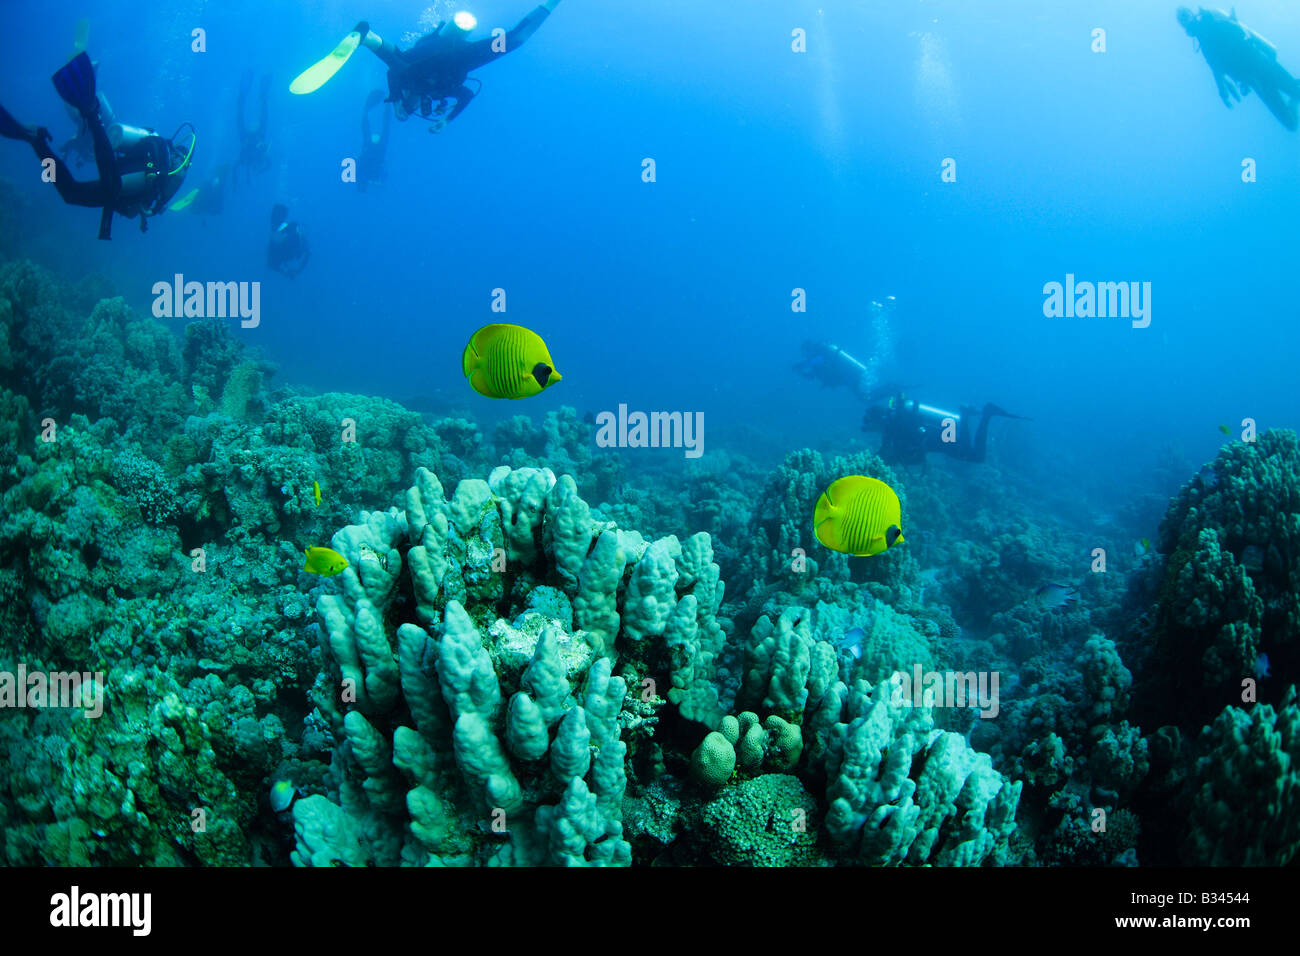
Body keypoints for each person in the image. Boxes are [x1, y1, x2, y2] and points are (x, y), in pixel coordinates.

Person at [0, 52, 194, 239]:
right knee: (106, 183)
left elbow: (145, 197)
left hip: (120, 186)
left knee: (70, 193)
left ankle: (37, 142)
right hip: (120, 181)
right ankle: (91, 111)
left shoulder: (164, 175)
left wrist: (143, 219)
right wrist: (152, 170)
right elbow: (152, 150)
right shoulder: (164, 157)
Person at [355, 2, 562, 128]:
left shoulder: (409, 82)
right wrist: (447, 120)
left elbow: (393, 72)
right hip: (462, 56)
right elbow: (466, 95)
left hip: (436, 52)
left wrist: (397, 100)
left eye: (412, 105)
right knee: (515, 39)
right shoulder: (439, 92)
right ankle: (552, 4)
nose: (416, 105)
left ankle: (370, 39)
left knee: (402, 63)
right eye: (412, 107)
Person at [1177, 6, 1300, 130]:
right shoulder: (1203, 44)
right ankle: (1294, 99)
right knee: (1291, 124)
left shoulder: (1210, 17)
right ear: (1182, 26)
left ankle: (1295, 94)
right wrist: (1222, 89)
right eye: (1181, 18)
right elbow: (1215, 68)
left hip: (1262, 63)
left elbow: (1241, 31)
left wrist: (1265, 47)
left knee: (1297, 94)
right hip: (1254, 80)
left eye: (1185, 14)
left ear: (1192, 13)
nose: (1184, 18)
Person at [863, 393, 1026, 466]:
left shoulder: (892, 426)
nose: (869, 429)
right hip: (946, 432)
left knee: (977, 457)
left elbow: (895, 455)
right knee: (973, 454)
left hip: (945, 437)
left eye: (869, 424)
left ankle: (986, 414)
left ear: (878, 419)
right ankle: (967, 415)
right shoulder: (893, 423)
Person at [234, 71, 272, 185]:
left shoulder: (249, 161)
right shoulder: (253, 161)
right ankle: (261, 88)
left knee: (261, 115)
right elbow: (269, 163)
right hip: (251, 138)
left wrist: (235, 181)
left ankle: (258, 87)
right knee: (241, 114)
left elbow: (269, 163)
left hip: (249, 139)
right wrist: (261, 170)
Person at [358, 90, 389, 190]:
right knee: (367, 130)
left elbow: (384, 173)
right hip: (371, 149)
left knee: (385, 129)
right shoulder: (361, 175)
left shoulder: (373, 178)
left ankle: (387, 105)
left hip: (378, 150)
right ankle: (366, 111)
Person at [267, 203, 310, 277]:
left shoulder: (292, 232)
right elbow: (271, 263)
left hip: (290, 250)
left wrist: (295, 271)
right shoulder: (286, 231)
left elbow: (308, 251)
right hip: (285, 253)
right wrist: (288, 271)